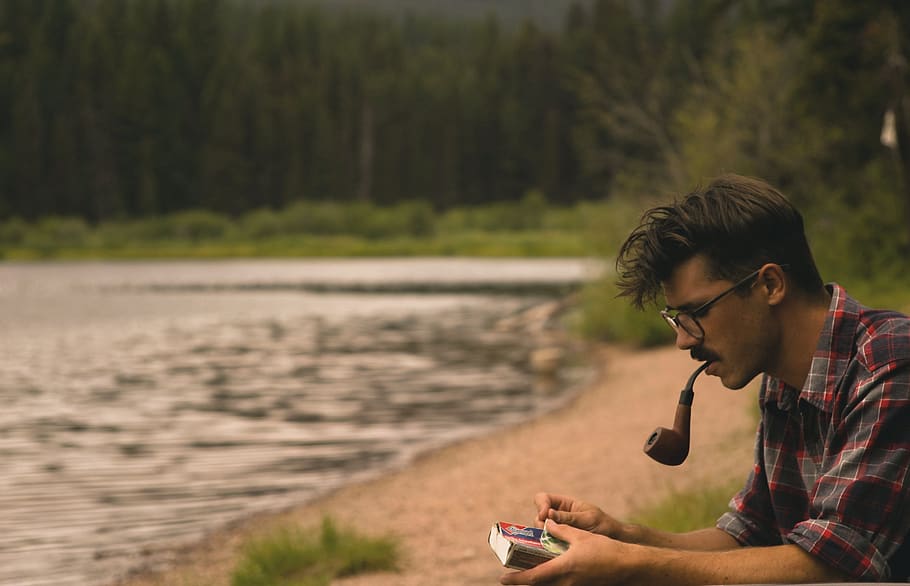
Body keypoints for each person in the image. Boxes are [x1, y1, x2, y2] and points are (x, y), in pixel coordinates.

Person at [501, 174, 910, 585]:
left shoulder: (890, 367)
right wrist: (622, 537)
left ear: (770, 284)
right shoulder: (783, 382)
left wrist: (629, 564)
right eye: (676, 319)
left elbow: (833, 565)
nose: (682, 340)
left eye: (697, 312)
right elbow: (747, 536)